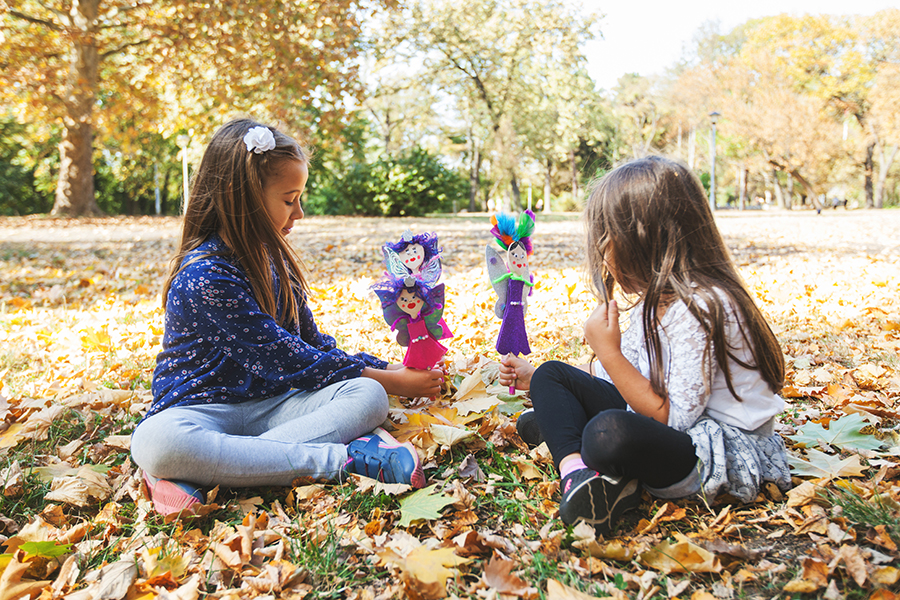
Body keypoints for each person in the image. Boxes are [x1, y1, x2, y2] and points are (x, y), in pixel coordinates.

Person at [131, 119, 442, 516]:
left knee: (367, 396)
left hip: (275, 405)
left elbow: (312, 345)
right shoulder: (204, 277)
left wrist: (385, 370)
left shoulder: (275, 262)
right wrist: (393, 379)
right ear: (244, 199)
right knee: (156, 444)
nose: (300, 212)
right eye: (289, 198)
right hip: (199, 411)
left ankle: (204, 472)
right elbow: (289, 359)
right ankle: (340, 460)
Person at [503, 156, 791, 536]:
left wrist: (608, 351)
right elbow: (626, 377)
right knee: (551, 375)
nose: (603, 250)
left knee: (608, 433)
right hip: (669, 426)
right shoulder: (653, 303)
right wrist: (539, 375)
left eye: (607, 237)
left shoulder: (703, 307)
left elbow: (674, 419)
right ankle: (577, 474)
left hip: (714, 451)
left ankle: (578, 438)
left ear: (643, 239)